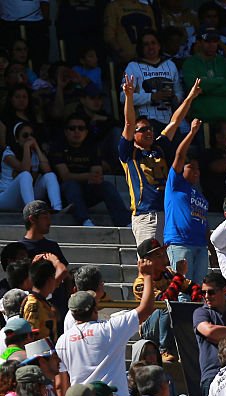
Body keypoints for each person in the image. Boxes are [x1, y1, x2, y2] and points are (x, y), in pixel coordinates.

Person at [57, 278, 156, 396]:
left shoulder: (62, 341)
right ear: (95, 308)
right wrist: (147, 276)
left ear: (73, 313)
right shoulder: (109, 329)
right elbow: (146, 308)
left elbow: (61, 384)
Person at [119, 74, 201, 246]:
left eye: (150, 128)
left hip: (169, 212)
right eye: (143, 129)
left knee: (170, 264)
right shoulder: (129, 153)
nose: (149, 132)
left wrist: (190, 97)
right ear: (133, 134)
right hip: (147, 215)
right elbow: (128, 123)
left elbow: (175, 121)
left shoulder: (159, 147)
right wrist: (129, 96)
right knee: (150, 262)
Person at [52, 114, 131, 227]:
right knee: (71, 185)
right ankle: (85, 221)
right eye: (72, 128)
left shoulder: (91, 148)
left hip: (86, 191)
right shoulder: (58, 147)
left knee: (106, 186)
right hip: (64, 194)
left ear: (86, 131)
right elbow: (65, 176)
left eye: (81, 128)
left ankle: (125, 222)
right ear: (65, 132)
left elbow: (97, 175)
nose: (77, 131)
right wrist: (88, 176)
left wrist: (88, 176)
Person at [163, 118, 210, 283]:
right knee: (182, 289)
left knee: (198, 290)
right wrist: (191, 133)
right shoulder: (175, 184)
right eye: (192, 168)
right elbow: (180, 154)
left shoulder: (200, 194)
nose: (197, 172)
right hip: (180, 243)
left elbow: (205, 224)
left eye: (198, 169)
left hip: (201, 246)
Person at [181, 27, 226, 122]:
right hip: (200, 119)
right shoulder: (190, 63)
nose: (211, 44)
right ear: (199, 42)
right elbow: (192, 86)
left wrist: (205, 88)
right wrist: (221, 81)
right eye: (207, 41)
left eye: (215, 41)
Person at [0, 122, 62, 213]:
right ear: (17, 139)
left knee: (50, 176)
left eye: (32, 135)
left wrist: (36, 147)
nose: (29, 138)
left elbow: (47, 169)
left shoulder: (34, 154)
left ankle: (57, 209)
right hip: (7, 198)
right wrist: (26, 147)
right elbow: (24, 169)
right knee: (25, 175)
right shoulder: (8, 153)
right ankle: (33, 211)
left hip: (26, 198)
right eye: (25, 135)